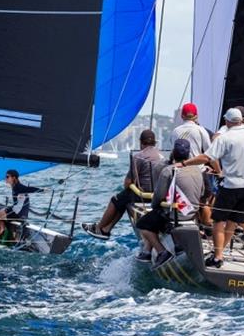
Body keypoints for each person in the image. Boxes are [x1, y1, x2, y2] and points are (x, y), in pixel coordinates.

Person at [182, 108, 244, 268]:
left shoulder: (225, 137)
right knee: (234, 221)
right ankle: (223, 253)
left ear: (227, 121)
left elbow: (207, 157)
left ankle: (218, 257)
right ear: (242, 120)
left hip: (231, 186)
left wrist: (184, 163)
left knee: (219, 221)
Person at [82, 129, 165, 240]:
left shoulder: (138, 157)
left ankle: (99, 227)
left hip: (143, 196)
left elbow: (127, 183)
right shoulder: (162, 157)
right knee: (123, 201)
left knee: (115, 200)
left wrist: (134, 184)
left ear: (141, 142)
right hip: (158, 196)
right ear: (154, 142)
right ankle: (106, 230)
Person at [136, 139, 204, 268]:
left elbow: (158, 197)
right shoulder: (198, 170)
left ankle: (162, 252)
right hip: (193, 212)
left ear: (173, 152)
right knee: (152, 219)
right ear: (189, 154)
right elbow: (202, 192)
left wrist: (155, 206)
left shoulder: (168, 171)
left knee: (143, 224)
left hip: (175, 214)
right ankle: (146, 252)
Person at [170, 102, 214, 225]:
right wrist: (219, 171)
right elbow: (209, 153)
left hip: (180, 172)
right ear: (196, 116)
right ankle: (207, 228)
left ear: (182, 116)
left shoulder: (175, 131)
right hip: (198, 172)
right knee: (203, 202)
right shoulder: (201, 130)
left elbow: (173, 150)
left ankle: (190, 225)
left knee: (185, 200)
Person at [0, 169, 43, 239]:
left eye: (7, 177)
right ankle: (3, 232)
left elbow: (29, 189)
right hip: (22, 214)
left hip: (17, 214)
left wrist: (42, 190)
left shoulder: (18, 187)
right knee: (1, 213)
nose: (5, 178)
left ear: (13, 178)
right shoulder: (16, 186)